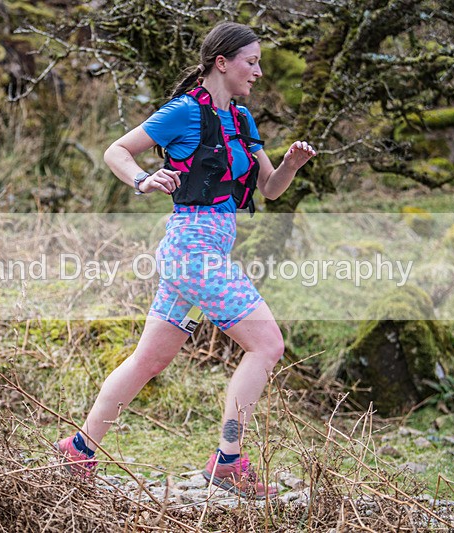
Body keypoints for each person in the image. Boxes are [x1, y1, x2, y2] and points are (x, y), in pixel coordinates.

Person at [55, 21, 315, 499]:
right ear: (222, 62)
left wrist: (291, 166)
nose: (258, 71)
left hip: (202, 252)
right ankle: (229, 460)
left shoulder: (242, 120)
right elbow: (117, 151)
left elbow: (269, 189)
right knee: (267, 346)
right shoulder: (183, 113)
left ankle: (78, 451)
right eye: (251, 62)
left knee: (149, 360)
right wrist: (142, 180)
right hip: (192, 250)